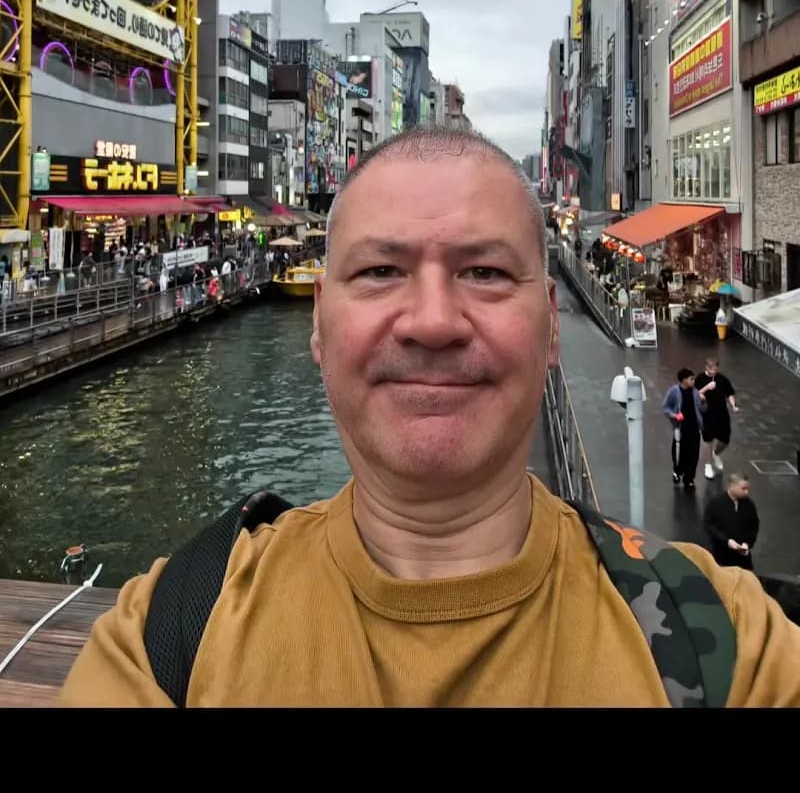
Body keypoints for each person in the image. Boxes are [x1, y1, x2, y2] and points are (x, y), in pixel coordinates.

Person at [59, 127, 800, 708]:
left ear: (550, 326)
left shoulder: (726, 643)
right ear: (320, 325)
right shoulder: (170, 631)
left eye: (484, 272)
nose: (434, 322)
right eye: (380, 272)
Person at [704, 473, 759, 572]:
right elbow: (709, 525)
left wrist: (748, 543)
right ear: (732, 486)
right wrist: (726, 541)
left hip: (743, 559)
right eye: (743, 488)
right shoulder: (716, 503)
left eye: (747, 488)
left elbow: (753, 526)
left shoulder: (749, 505)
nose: (747, 492)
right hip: (721, 556)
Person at [662, 368, 705, 490]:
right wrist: (675, 415)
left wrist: (703, 402)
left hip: (694, 428)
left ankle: (689, 479)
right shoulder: (674, 391)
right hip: (680, 428)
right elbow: (665, 408)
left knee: (694, 454)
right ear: (684, 380)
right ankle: (677, 471)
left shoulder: (695, 392)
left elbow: (702, 410)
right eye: (691, 379)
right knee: (679, 453)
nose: (693, 381)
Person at [695, 357, 738, 480]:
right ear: (707, 368)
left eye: (716, 369)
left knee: (725, 439)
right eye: (712, 369)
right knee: (709, 440)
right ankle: (708, 465)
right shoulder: (700, 379)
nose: (715, 371)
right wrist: (707, 387)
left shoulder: (722, 379)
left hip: (722, 413)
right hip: (707, 413)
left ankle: (716, 453)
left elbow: (729, 393)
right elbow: (696, 394)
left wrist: (733, 405)